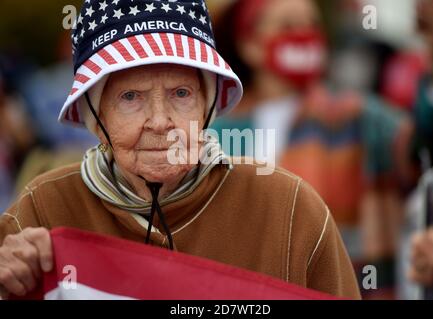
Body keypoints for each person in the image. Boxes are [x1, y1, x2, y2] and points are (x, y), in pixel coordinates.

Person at [0, 0, 360, 300]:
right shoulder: (42, 208)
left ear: (207, 103)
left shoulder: (291, 209)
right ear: (96, 115)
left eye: (181, 93)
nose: (160, 122)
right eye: (130, 97)